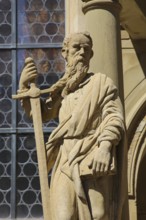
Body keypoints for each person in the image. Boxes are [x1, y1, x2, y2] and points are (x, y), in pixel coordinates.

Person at [19, 32, 127, 220]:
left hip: (93, 152)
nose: (82, 52)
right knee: (63, 216)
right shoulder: (62, 89)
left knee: (100, 215)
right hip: (65, 158)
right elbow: (41, 114)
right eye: (77, 47)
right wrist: (24, 87)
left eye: (87, 49)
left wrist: (105, 146)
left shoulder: (102, 84)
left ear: (91, 55)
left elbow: (114, 117)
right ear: (65, 52)